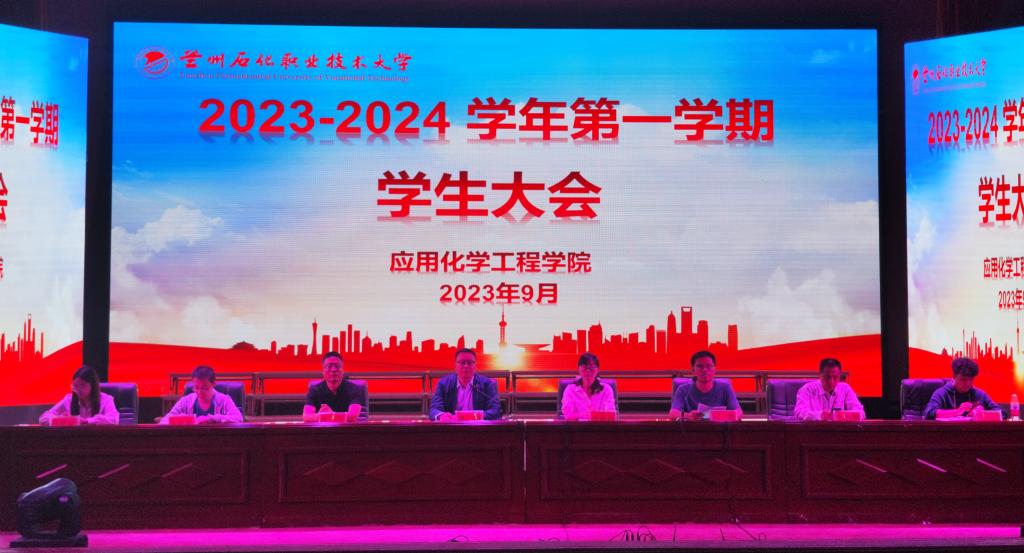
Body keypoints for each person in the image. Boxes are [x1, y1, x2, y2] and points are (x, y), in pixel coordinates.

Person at [429, 348, 501, 421]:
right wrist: (441, 416)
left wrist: (475, 416)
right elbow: (434, 409)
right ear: (455, 366)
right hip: (452, 426)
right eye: (462, 362)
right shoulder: (444, 384)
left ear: (475, 366)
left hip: (478, 426)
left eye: (470, 363)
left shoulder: (487, 384)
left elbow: (496, 410)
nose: (466, 366)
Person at [669, 350, 742, 420]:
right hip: (693, 428)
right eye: (700, 366)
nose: (704, 369)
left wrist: (721, 416)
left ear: (714, 370)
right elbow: (672, 413)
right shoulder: (683, 389)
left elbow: (739, 413)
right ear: (693, 370)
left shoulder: (725, 388)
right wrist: (689, 416)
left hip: (719, 427)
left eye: (709, 366)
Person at [925, 357, 1003, 420]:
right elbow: (929, 413)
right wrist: (958, 411)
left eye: (971, 379)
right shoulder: (942, 393)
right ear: (954, 377)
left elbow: (1002, 413)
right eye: (963, 379)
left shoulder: (979, 394)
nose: (968, 383)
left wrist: (982, 413)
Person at [160, 365, 243, 424]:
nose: (199, 392)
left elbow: (238, 418)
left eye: (204, 388)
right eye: (196, 388)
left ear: (213, 384)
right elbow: (165, 420)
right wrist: (185, 419)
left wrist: (212, 419)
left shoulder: (224, 400)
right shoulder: (186, 401)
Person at [39, 365, 119, 426]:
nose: (78, 390)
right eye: (75, 386)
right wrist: (60, 420)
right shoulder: (68, 400)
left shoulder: (106, 400)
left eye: (82, 385)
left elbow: (114, 419)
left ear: (92, 385)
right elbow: (43, 418)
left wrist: (86, 421)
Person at [303, 351, 368, 421]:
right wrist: (333, 416)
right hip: (323, 428)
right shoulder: (314, 390)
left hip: (346, 428)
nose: (333, 370)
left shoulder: (354, 389)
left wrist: (330, 415)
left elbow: (352, 416)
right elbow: (306, 417)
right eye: (329, 366)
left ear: (343, 370)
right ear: (323, 371)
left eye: (337, 366)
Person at [794, 358, 865, 420]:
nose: (831, 382)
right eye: (827, 377)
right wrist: (820, 415)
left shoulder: (845, 389)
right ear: (820, 375)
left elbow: (861, 413)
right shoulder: (807, 390)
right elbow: (799, 412)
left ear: (839, 376)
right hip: (814, 430)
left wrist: (840, 415)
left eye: (835, 377)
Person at [561, 352, 616, 420]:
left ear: (597, 370)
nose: (588, 371)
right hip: (577, 426)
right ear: (579, 369)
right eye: (584, 367)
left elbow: (610, 415)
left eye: (591, 367)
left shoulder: (606, 390)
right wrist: (590, 415)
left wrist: (583, 415)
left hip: (600, 426)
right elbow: (568, 415)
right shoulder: (570, 390)